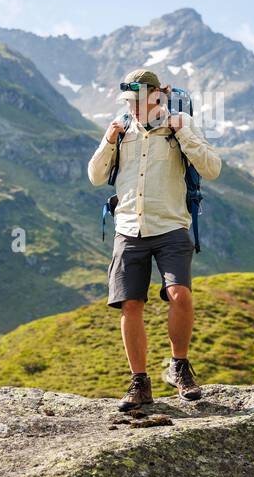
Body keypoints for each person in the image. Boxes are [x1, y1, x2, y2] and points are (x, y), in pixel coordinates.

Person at [86, 68, 222, 411]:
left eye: (137, 100)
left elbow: (212, 168)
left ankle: (179, 366)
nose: (132, 107)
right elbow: (95, 176)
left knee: (180, 294)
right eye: (128, 101)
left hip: (171, 226)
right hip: (128, 228)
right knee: (130, 305)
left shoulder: (181, 126)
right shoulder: (121, 129)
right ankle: (139, 383)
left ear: (155, 96)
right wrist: (108, 141)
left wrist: (184, 135)